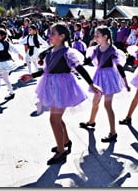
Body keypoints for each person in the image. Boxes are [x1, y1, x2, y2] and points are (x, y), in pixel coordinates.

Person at [20, 22, 102, 165]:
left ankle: (61, 151)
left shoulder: (67, 53)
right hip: (51, 86)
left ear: (62, 36)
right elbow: (46, 70)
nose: (49, 35)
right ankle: (65, 141)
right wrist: (31, 76)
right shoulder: (51, 51)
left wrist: (91, 83)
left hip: (62, 88)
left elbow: (80, 69)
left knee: (54, 120)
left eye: (52, 33)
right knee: (57, 118)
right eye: (50, 33)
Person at [79, 26, 130, 142]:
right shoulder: (96, 49)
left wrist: (125, 83)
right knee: (95, 101)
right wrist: (77, 65)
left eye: (97, 35)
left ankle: (113, 132)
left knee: (107, 105)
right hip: (99, 76)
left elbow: (119, 66)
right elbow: (87, 60)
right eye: (95, 35)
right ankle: (91, 121)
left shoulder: (112, 50)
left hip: (110, 78)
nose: (95, 37)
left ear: (105, 36)